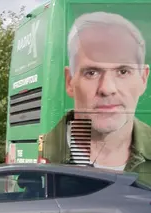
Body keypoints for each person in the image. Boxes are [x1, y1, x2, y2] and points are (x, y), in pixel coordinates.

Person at [42, 11, 151, 172]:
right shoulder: (41, 160)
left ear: (143, 79)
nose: (107, 89)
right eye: (92, 73)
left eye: (122, 72)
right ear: (69, 81)